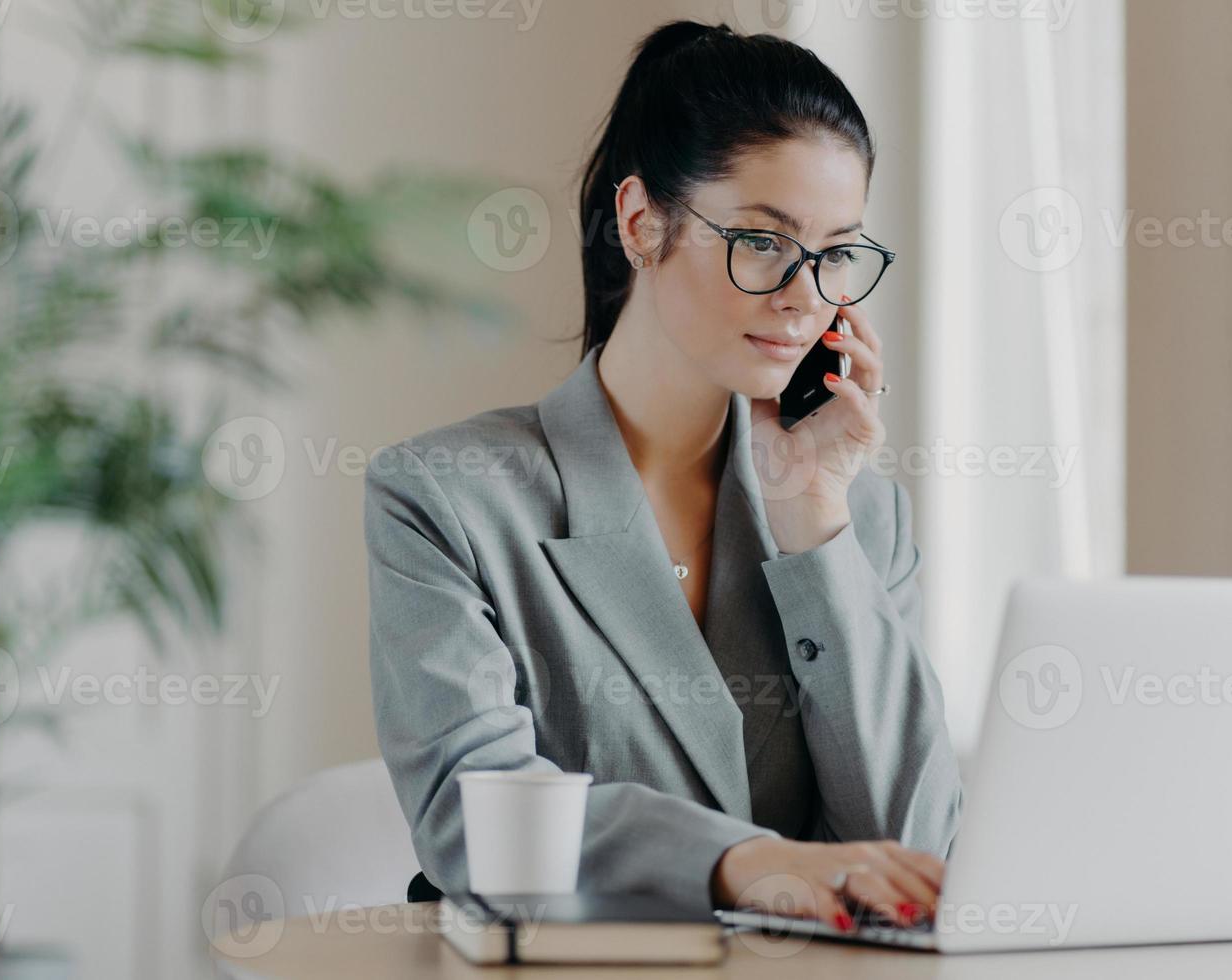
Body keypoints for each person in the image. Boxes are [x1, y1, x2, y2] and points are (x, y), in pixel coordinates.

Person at [365, 18, 961, 932]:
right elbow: (473, 817)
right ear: (643, 222)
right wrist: (747, 863)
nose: (808, 295)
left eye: (839, 252)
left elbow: (912, 851)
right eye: (763, 241)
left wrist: (814, 521)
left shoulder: (860, 518)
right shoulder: (448, 497)